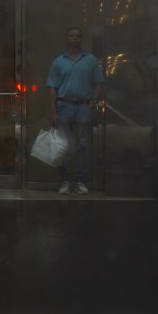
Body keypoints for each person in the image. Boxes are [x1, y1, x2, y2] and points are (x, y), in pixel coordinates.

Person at [46, 26, 105, 194]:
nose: (75, 38)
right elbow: (52, 87)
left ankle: (80, 181)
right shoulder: (58, 61)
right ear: (67, 38)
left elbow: (99, 82)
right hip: (63, 105)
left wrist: (92, 103)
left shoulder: (90, 60)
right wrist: (53, 111)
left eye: (78, 36)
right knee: (63, 145)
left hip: (83, 106)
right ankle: (65, 181)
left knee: (83, 145)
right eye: (72, 35)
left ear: (81, 39)